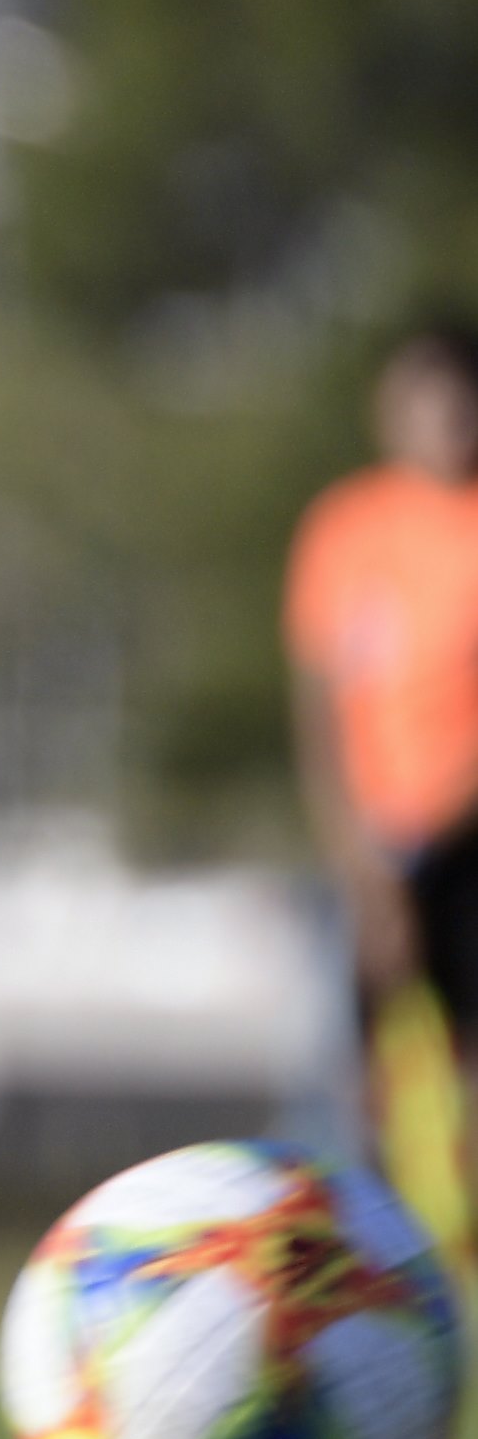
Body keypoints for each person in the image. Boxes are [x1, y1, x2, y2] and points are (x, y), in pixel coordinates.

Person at [291, 322, 478, 1146]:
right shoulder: (346, 527)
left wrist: (434, 836)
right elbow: (324, 705)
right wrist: (365, 861)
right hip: (378, 850)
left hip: (463, 840)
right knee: (373, 1085)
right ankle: (379, 1261)